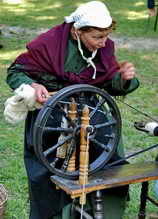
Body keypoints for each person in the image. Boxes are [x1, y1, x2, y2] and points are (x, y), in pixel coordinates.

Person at [6, 1, 139, 218]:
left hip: (90, 117)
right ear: (77, 33)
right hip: (50, 117)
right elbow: (15, 72)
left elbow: (107, 82)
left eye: (106, 36)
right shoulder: (49, 44)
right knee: (50, 176)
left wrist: (123, 79)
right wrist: (33, 85)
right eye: (97, 37)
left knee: (108, 162)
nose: (103, 43)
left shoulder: (103, 49)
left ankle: (101, 211)